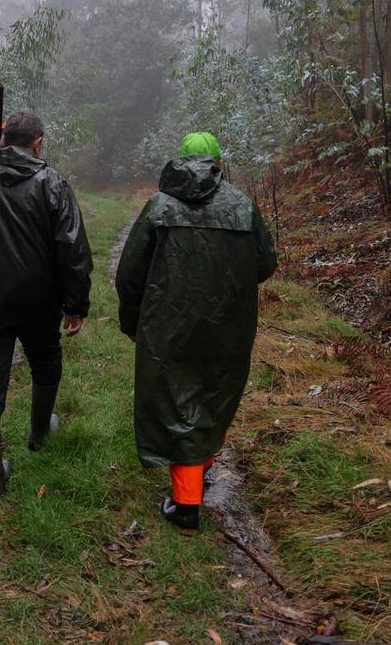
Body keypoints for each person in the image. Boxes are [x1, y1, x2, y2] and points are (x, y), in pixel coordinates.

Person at [115, 132, 277, 531]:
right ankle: (195, 478)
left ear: (180, 161)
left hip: (168, 325)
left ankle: (186, 505)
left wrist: (132, 322)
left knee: (175, 400)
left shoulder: (159, 205)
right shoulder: (242, 205)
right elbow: (265, 264)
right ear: (218, 164)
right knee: (215, 394)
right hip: (229, 324)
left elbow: (130, 274)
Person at [0, 112, 93, 497]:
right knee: (46, 362)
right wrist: (75, 304)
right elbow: (73, 250)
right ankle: (40, 434)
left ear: (3, 139)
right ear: (37, 143)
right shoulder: (53, 183)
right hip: (39, 302)